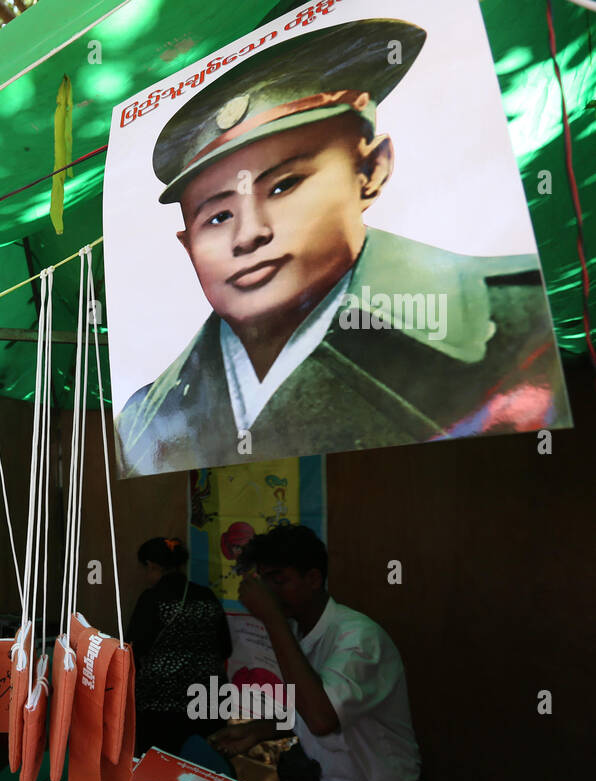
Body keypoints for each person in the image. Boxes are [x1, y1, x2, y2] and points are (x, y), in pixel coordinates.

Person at [117, 17, 569, 476]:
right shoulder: (144, 419)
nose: (249, 234)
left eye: (283, 186)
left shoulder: (510, 320)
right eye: (217, 217)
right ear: (187, 243)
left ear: (372, 170)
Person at [208, 524, 432, 781]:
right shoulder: (302, 632)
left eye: (279, 580)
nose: (269, 592)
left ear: (314, 578)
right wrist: (261, 729)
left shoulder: (357, 638)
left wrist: (272, 619)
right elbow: (314, 702)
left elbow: (323, 717)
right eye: (264, 581)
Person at [127, 537, 231, 757]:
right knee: (208, 771)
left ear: (151, 565)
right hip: (210, 700)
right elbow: (226, 648)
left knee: (161, 771)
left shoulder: (152, 599)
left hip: (163, 706)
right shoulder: (207, 596)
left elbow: (135, 647)